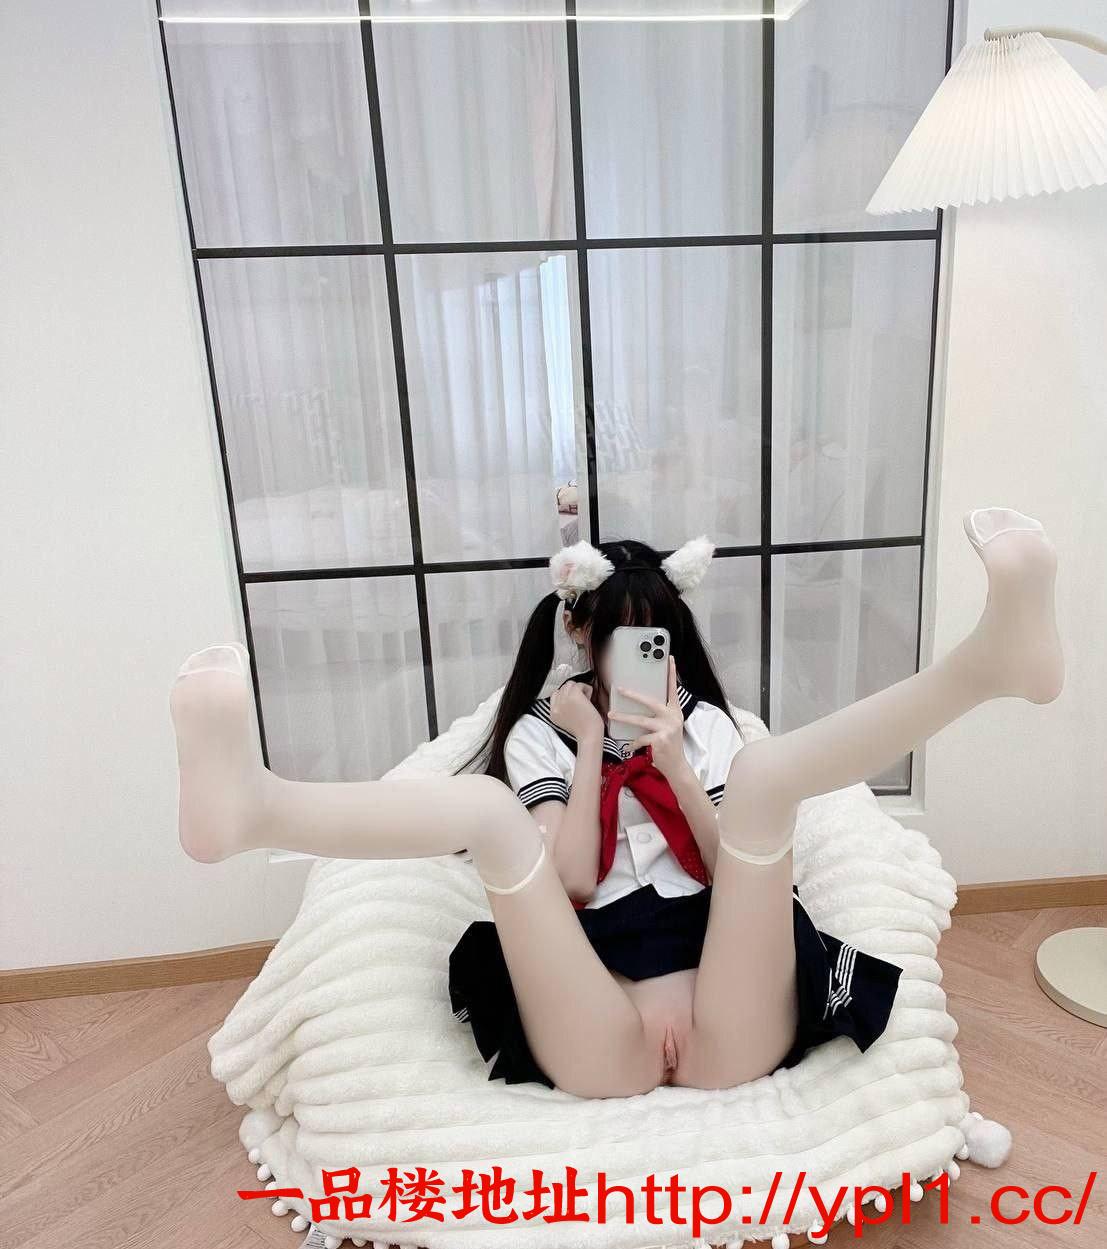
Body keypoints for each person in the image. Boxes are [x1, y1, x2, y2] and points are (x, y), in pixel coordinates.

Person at [169, 506, 1063, 1100]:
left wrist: (676, 764)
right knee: (487, 816)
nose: (644, 658)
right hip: (596, 1018)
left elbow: (732, 866)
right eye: (623, 640)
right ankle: (255, 807)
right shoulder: (541, 734)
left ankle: (986, 664)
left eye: (657, 640)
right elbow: (565, 879)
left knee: (761, 777)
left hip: (731, 1010)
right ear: (579, 634)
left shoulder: (703, 725)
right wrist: (594, 745)